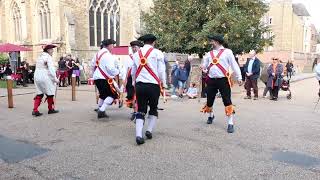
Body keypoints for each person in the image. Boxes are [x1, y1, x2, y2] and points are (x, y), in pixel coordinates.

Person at [201, 35, 242, 133]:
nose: (211, 43)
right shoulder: (209, 53)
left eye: (212, 41)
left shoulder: (227, 52)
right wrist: (203, 67)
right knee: (209, 100)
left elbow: (234, 64)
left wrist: (239, 76)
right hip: (211, 79)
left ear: (216, 42)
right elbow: (205, 66)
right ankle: (211, 116)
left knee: (227, 100)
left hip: (223, 79)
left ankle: (230, 122)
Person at [131, 34, 166, 145]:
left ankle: (138, 135)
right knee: (153, 108)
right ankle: (149, 131)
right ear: (153, 42)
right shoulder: (158, 53)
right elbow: (161, 71)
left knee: (141, 109)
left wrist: (134, 82)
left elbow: (133, 72)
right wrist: (164, 83)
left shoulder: (136, 54)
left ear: (144, 42)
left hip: (140, 85)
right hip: (153, 85)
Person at [90, 39, 120, 118]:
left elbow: (92, 65)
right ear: (109, 45)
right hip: (104, 78)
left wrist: (93, 75)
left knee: (103, 95)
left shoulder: (97, 54)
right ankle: (102, 110)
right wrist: (117, 72)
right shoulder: (108, 55)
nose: (113, 47)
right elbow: (110, 68)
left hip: (97, 77)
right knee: (113, 94)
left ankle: (100, 109)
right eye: (112, 45)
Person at [32, 44, 59, 116]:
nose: (52, 51)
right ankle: (50, 109)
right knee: (50, 93)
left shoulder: (39, 56)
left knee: (39, 93)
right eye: (52, 50)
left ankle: (35, 110)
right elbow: (51, 70)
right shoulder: (48, 57)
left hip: (37, 76)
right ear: (48, 50)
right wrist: (55, 79)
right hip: (45, 76)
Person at [121, 40, 143, 120]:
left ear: (139, 48)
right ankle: (135, 112)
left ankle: (139, 111)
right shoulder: (128, 57)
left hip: (141, 78)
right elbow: (125, 69)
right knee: (132, 96)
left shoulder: (143, 56)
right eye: (132, 47)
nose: (134, 49)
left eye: (135, 47)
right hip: (131, 79)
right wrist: (124, 80)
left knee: (139, 96)